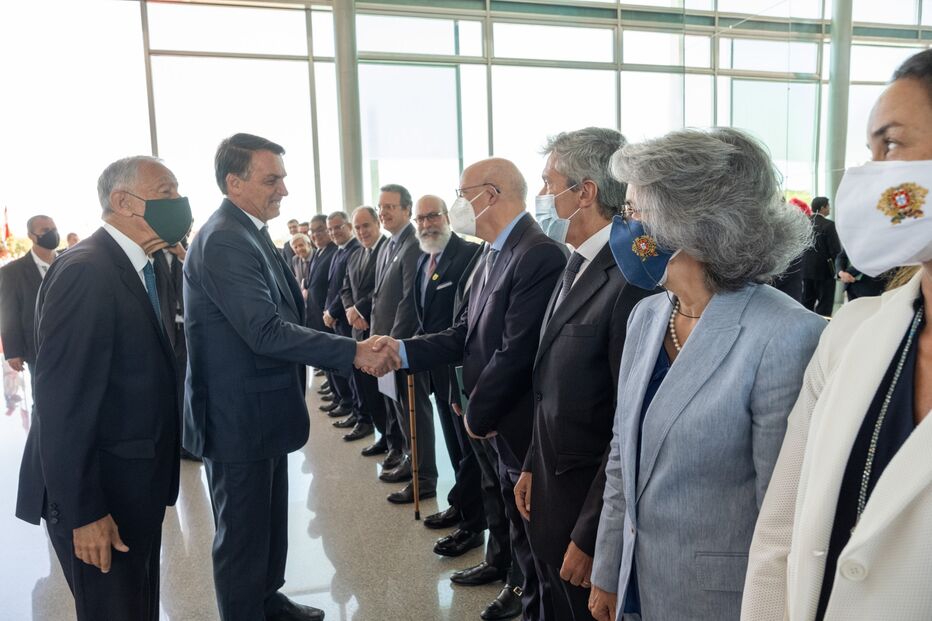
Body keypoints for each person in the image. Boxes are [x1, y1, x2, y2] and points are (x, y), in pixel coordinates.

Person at [587, 128, 825, 621]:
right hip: (637, 583)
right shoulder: (647, 316)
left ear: (689, 222)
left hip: (722, 600)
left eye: (632, 210)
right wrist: (608, 568)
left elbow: (782, 509)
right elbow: (622, 456)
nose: (621, 224)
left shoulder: (784, 334)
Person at [743, 48, 932, 621]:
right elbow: (781, 533)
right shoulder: (853, 333)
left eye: (890, 145)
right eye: (869, 152)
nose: (868, 176)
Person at [182, 133, 396, 621]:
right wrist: (353, 351)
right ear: (234, 183)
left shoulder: (249, 231)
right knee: (243, 535)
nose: (283, 189)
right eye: (271, 179)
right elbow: (264, 330)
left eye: (282, 178)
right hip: (238, 416)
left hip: (260, 409)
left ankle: (267, 599)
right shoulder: (225, 239)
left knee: (267, 521)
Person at [371, 157, 567, 620]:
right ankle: (518, 589)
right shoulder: (491, 253)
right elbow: (464, 333)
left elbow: (515, 352)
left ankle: (530, 599)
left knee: (534, 533)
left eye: (462, 194)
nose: (458, 204)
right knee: (512, 517)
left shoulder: (537, 254)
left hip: (517, 422)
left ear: (490, 194)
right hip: (494, 419)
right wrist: (402, 350)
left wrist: (477, 413)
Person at [15, 156, 192, 620]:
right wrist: (85, 512)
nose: (179, 202)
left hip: (134, 486)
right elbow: (62, 403)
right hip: (101, 497)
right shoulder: (87, 271)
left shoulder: (143, 266)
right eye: (168, 192)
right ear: (123, 202)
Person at [514, 127, 653, 621]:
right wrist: (531, 462)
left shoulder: (630, 280)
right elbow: (550, 386)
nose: (542, 195)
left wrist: (593, 534)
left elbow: (627, 421)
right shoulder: (574, 264)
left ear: (585, 192)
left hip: (585, 514)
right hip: (550, 489)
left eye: (549, 184)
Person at [408, 195, 484, 550]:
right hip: (436, 372)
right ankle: (460, 505)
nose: (426, 224)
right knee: (454, 447)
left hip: (461, 373)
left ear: (447, 217)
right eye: (420, 219)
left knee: (471, 452)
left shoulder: (468, 255)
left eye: (433, 216)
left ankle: (473, 525)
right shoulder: (423, 258)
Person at [370, 183, 437, 503]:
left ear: (407, 210)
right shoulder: (388, 244)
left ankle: (424, 479)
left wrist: (392, 346)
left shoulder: (413, 244)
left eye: (390, 207)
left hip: (403, 347)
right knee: (398, 408)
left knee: (414, 412)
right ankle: (410, 463)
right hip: (386, 344)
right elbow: (381, 297)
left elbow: (409, 300)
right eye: (380, 207)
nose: (383, 212)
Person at [340, 206, 394, 451]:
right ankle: (383, 436)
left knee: (387, 395)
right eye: (357, 227)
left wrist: (359, 310)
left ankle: (396, 443)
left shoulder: (388, 249)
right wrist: (350, 310)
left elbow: (383, 289)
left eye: (366, 226)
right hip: (358, 332)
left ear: (377, 224)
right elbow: (345, 288)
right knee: (368, 391)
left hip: (380, 332)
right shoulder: (355, 255)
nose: (362, 231)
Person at [321, 211, 365, 437]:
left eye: (338, 227)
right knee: (347, 372)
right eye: (330, 229)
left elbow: (344, 290)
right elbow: (335, 287)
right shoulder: (340, 251)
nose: (333, 232)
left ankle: (360, 416)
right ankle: (355, 412)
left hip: (348, 321)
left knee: (354, 374)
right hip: (339, 319)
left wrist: (334, 311)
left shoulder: (355, 249)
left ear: (348, 226)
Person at [0, 214, 59, 378]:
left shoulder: (70, 261)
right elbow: (9, 313)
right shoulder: (12, 272)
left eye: (54, 229)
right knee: (44, 391)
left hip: (74, 342)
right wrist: (13, 351)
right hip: (38, 347)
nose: (52, 233)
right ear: (31, 236)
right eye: (45, 230)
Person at [801, 196, 842, 316]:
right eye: (828, 206)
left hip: (806, 270)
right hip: (825, 271)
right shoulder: (829, 225)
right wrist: (839, 268)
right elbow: (835, 250)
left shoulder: (804, 223)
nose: (829, 209)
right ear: (823, 207)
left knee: (807, 301)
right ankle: (823, 325)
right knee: (825, 303)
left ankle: (807, 323)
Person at [304, 215, 336, 333]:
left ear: (328, 229)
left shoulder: (335, 251)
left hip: (328, 319)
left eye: (320, 230)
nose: (315, 234)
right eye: (312, 231)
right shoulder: (317, 252)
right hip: (315, 318)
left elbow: (336, 287)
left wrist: (331, 312)